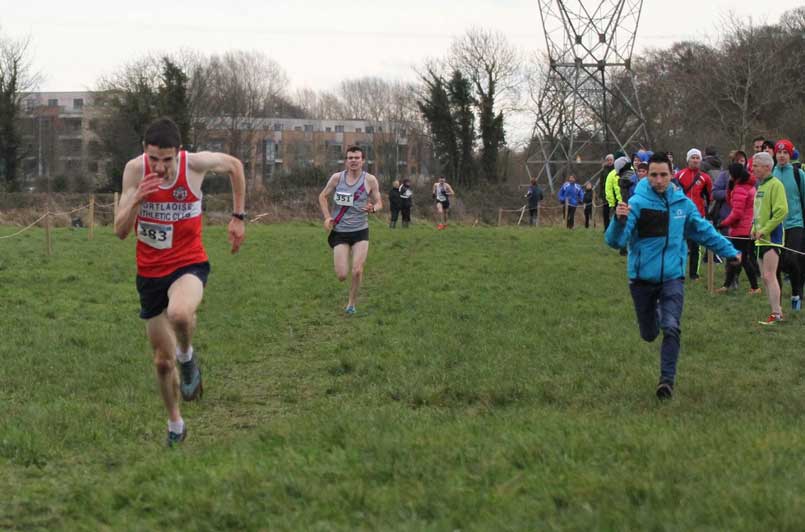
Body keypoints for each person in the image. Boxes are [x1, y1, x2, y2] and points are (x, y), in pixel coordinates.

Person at [114, 117, 246, 447]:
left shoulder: (195, 165)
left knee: (180, 314)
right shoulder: (134, 170)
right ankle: (175, 423)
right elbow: (119, 231)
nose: (159, 167)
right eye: (153, 159)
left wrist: (238, 217)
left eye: (167, 159)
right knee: (161, 362)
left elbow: (235, 166)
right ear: (144, 151)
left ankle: (187, 358)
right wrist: (136, 200)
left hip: (188, 263)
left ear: (179, 152)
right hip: (149, 273)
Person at [606, 152, 740, 400]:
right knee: (649, 334)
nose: (658, 180)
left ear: (671, 175)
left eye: (663, 175)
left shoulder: (682, 205)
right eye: (653, 175)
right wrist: (619, 221)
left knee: (671, 327)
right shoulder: (637, 203)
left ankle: (666, 382)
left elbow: (703, 231)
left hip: (672, 278)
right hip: (642, 280)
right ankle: (655, 316)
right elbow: (616, 242)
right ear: (646, 176)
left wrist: (730, 252)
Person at [318, 146, 383, 314]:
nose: (353, 160)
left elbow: (379, 203)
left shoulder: (370, 180)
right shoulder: (337, 178)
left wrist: (373, 209)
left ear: (363, 160)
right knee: (341, 275)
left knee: (357, 270)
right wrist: (327, 217)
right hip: (340, 231)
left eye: (357, 158)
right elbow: (322, 196)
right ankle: (348, 285)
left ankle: (351, 304)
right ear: (346, 161)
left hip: (360, 231)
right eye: (350, 158)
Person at [752, 151, 788, 324]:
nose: (753, 169)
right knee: (764, 277)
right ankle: (776, 311)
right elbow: (758, 212)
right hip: (760, 238)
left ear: (767, 167)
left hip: (772, 237)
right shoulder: (760, 186)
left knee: (769, 275)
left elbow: (781, 211)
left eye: (756, 166)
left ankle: (776, 314)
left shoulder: (776, 185)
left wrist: (765, 229)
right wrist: (754, 228)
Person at [771, 139, 805, 311]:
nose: (782, 156)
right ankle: (776, 302)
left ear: (790, 155)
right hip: (775, 225)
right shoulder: (771, 173)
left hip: (795, 223)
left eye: (785, 153)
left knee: (793, 260)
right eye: (779, 152)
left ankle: (796, 294)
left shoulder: (799, 174)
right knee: (775, 264)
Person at [716, 163, 760, 294]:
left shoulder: (741, 188)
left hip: (741, 229)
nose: (729, 176)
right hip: (747, 228)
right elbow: (731, 202)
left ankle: (754, 287)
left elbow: (737, 213)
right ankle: (729, 285)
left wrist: (723, 223)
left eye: (730, 174)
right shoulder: (747, 186)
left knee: (739, 259)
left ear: (734, 175)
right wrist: (730, 188)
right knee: (740, 258)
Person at [674, 148, 713, 280]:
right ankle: (678, 273)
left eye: (697, 158)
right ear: (688, 160)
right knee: (679, 244)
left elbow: (710, 197)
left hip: (697, 215)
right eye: (693, 158)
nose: (695, 160)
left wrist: (708, 214)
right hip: (680, 215)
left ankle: (694, 274)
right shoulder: (679, 175)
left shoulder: (705, 178)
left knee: (696, 245)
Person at [600, 154, 615, 228]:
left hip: (615, 193)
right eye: (608, 160)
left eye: (611, 160)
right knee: (605, 212)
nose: (609, 161)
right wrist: (601, 195)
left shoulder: (616, 170)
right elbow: (601, 183)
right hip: (606, 194)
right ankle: (606, 227)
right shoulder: (603, 171)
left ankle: (614, 227)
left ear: (613, 161)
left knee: (615, 212)